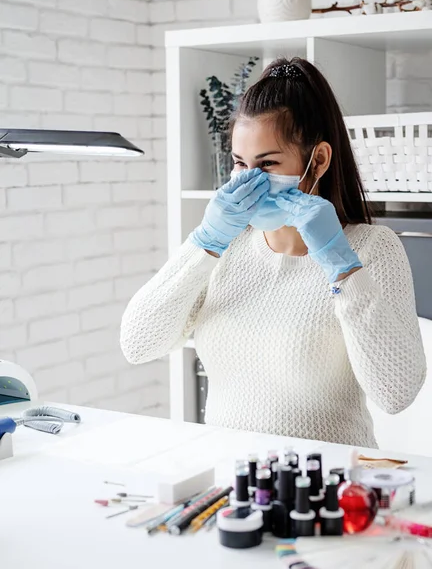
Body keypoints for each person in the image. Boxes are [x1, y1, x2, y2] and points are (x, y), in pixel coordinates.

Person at [120, 57, 426, 448]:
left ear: (317, 161)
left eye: (266, 164)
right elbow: (138, 343)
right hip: (230, 482)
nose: (249, 181)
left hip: (323, 488)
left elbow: (396, 394)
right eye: (239, 164)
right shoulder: (225, 246)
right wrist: (205, 241)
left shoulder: (373, 250)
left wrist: (342, 268)